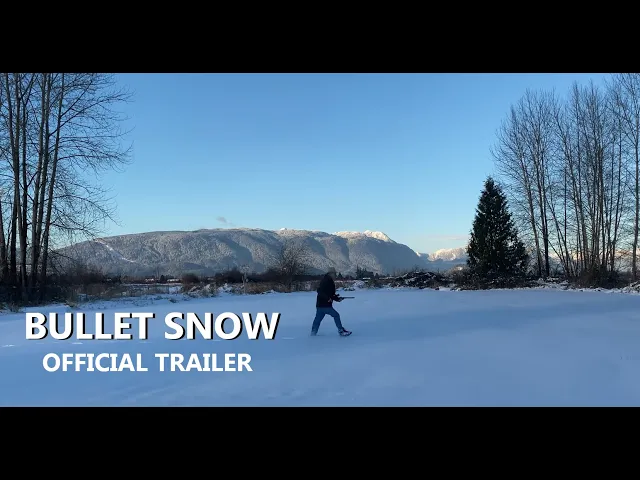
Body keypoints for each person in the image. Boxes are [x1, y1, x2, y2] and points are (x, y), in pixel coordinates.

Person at [311, 269, 352, 336]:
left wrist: (337, 299)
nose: (335, 275)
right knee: (336, 315)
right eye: (334, 273)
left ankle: (313, 333)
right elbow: (320, 291)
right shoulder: (326, 281)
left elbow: (330, 294)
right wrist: (328, 298)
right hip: (325, 305)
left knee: (317, 320)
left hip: (320, 305)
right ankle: (341, 331)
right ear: (330, 273)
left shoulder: (327, 280)